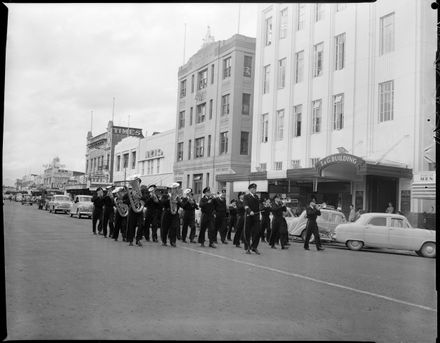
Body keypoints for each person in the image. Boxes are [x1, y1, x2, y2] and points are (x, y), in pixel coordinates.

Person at [126, 176, 146, 247]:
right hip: (132, 209)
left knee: (141, 225)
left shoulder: (143, 191)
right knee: (131, 225)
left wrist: (139, 197)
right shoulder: (130, 191)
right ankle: (130, 240)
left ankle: (138, 239)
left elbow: (146, 198)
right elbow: (126, 200)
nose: (136, 184)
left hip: (140, 209)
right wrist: (131, 197)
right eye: (135, 183)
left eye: (137, 183)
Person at [160, 183, 181, 247]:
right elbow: (162, 203)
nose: (177, 190)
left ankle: (173, 241)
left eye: (177, 188)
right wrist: (169, 200)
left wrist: (177, 202)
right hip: (167, 212)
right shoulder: (166, 196)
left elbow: (182, 204)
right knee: (164, 228)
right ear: (172, 189)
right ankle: (164, 241)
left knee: (174, 228)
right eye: (176, 188)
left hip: (175, 214)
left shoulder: (178, 197)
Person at [243, 183, 262, 254]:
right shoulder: (246, 196)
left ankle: (254, 247)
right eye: (253, 189)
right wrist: (250, 211)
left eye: (255, 189)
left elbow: (259, 206)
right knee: (247, 232)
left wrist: (262, 207)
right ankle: (247, 247)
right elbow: (245, 206)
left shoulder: (256, 197)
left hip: (256, 216)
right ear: (250, 189)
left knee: (257, 232)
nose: (255, 190)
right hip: (249, 216)